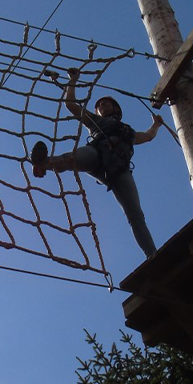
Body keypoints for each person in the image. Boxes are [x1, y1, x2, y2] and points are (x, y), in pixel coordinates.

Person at [29, 67, 164, 258]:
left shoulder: (129, 132)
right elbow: (70, 104)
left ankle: (152, 254)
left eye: (107, 103)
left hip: (119, 170)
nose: (103, 105)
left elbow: (148, 136)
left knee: (135, 214)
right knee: (72, 158)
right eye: (100, 105)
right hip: (96, 153)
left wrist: (156, 125)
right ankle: (44, 163)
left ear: (116, 109)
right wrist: (73, 80)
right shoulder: (94, 121)